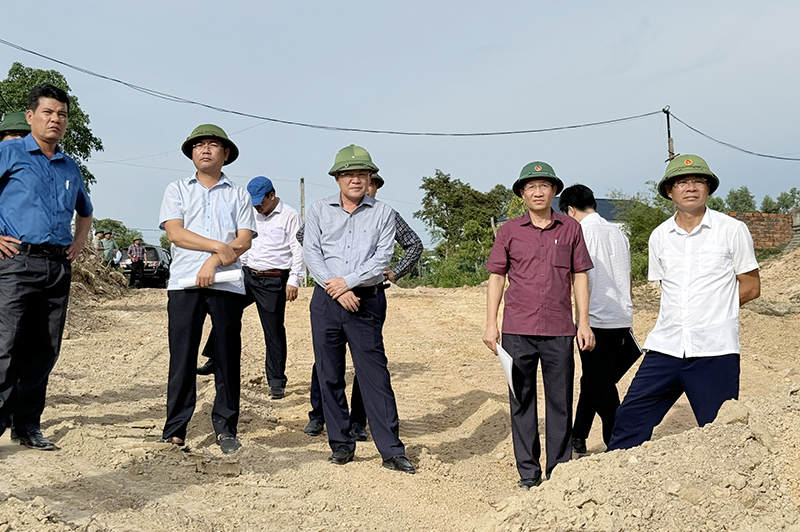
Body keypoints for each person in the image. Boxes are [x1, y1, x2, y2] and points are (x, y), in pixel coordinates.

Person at [607, 155, 760, 450]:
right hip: (666, 347)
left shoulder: (732, 230)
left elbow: (751, 287)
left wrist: (715, 310)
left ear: (708, 188)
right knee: (629, 419)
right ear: (669, 191)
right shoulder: (660, 236)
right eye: (681, 182)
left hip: (715, 350)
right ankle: (615, 486)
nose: (690, 187)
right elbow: (669, 288)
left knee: (722, 432)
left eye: (697, 181)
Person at [483, 161, 595, 489]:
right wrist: (491, 324)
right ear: (522, 193)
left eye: (544, 185)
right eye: (530, 186)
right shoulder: (509, 231)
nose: (537, 191)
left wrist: (583, 323)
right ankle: (528, 474)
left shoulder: (571, 229)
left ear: (554, 191)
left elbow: (579, 276)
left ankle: (558, 471)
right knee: (521, 401)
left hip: (560, 331)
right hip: (517, 330)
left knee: (560, 402)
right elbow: (497, 277)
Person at [304, 144, 414, 473]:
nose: (355, 179)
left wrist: (349, 282)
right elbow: (311, 252)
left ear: (370, 179)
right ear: (337, 178)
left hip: (365, 300)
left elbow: (382, 259)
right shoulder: (318, 210)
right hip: (326, 299)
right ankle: (341, 444)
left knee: (374, 375)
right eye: (348, 174)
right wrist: (336, 289)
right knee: (329, 374)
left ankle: (392, 450)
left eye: (362, 174)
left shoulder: (383, 212)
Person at [0, 83, 93, 450]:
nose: (55, 119)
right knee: (5, 344)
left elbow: (84, 210)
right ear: (30, 117)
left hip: (57, 267)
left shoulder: (70, 165)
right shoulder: (9, 152)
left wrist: (79, 241)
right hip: (16, 262)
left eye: (62, 114)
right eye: (48, 112)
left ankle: (27, 425)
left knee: (44, 348)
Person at [158, 124, 255, 454]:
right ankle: (175, 428)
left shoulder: (239, 194)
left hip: (227, 283)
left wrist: (213, 263)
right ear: (191, 153)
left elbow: (243, 239)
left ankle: (226, 426)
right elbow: (175, 233)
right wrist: (217, 247)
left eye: (213, 145)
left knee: (227, 357)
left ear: (225, 154)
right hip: (183, 282)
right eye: (199, 145)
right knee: (182, 356)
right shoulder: (177, 190)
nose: (205, 150)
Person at [197, 176, 305, 401]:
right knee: (224, 311)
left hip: (274, 279)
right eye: (253, 201)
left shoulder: (290, 216)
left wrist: (294, 280)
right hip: (247, 275)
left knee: (273, 330)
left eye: (260, 201)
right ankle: (214, 359)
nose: (257, 206)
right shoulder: (250, 214)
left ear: (272, 195)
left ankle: (276, 381)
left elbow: (298, 249)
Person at [558, 184, 641, 453]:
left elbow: (578, 276)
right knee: (594, 380)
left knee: (602, 386)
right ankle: (578, 435)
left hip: (594, 319)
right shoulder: (618, 232)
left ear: (570, 210)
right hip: (621, 316)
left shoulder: (580, 232)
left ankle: (616, 441)